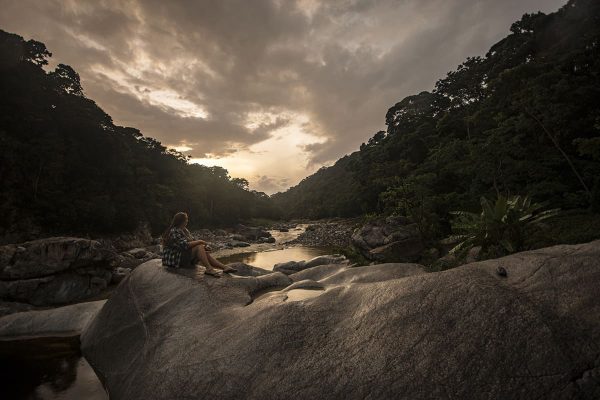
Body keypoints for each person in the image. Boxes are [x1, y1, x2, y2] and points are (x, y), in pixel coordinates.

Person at [161, 212, 236, 277]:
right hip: (175, 259)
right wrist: (200, 242)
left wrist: (204, 247)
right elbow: (184, 245)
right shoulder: (174, 231)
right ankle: (209, 269)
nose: (187, 221)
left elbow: (193, 241)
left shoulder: (184, 230)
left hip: (181, 256)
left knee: (203, 250)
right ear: (182, 221)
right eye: (186, 219)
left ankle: (224, 267)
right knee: (199, 245)